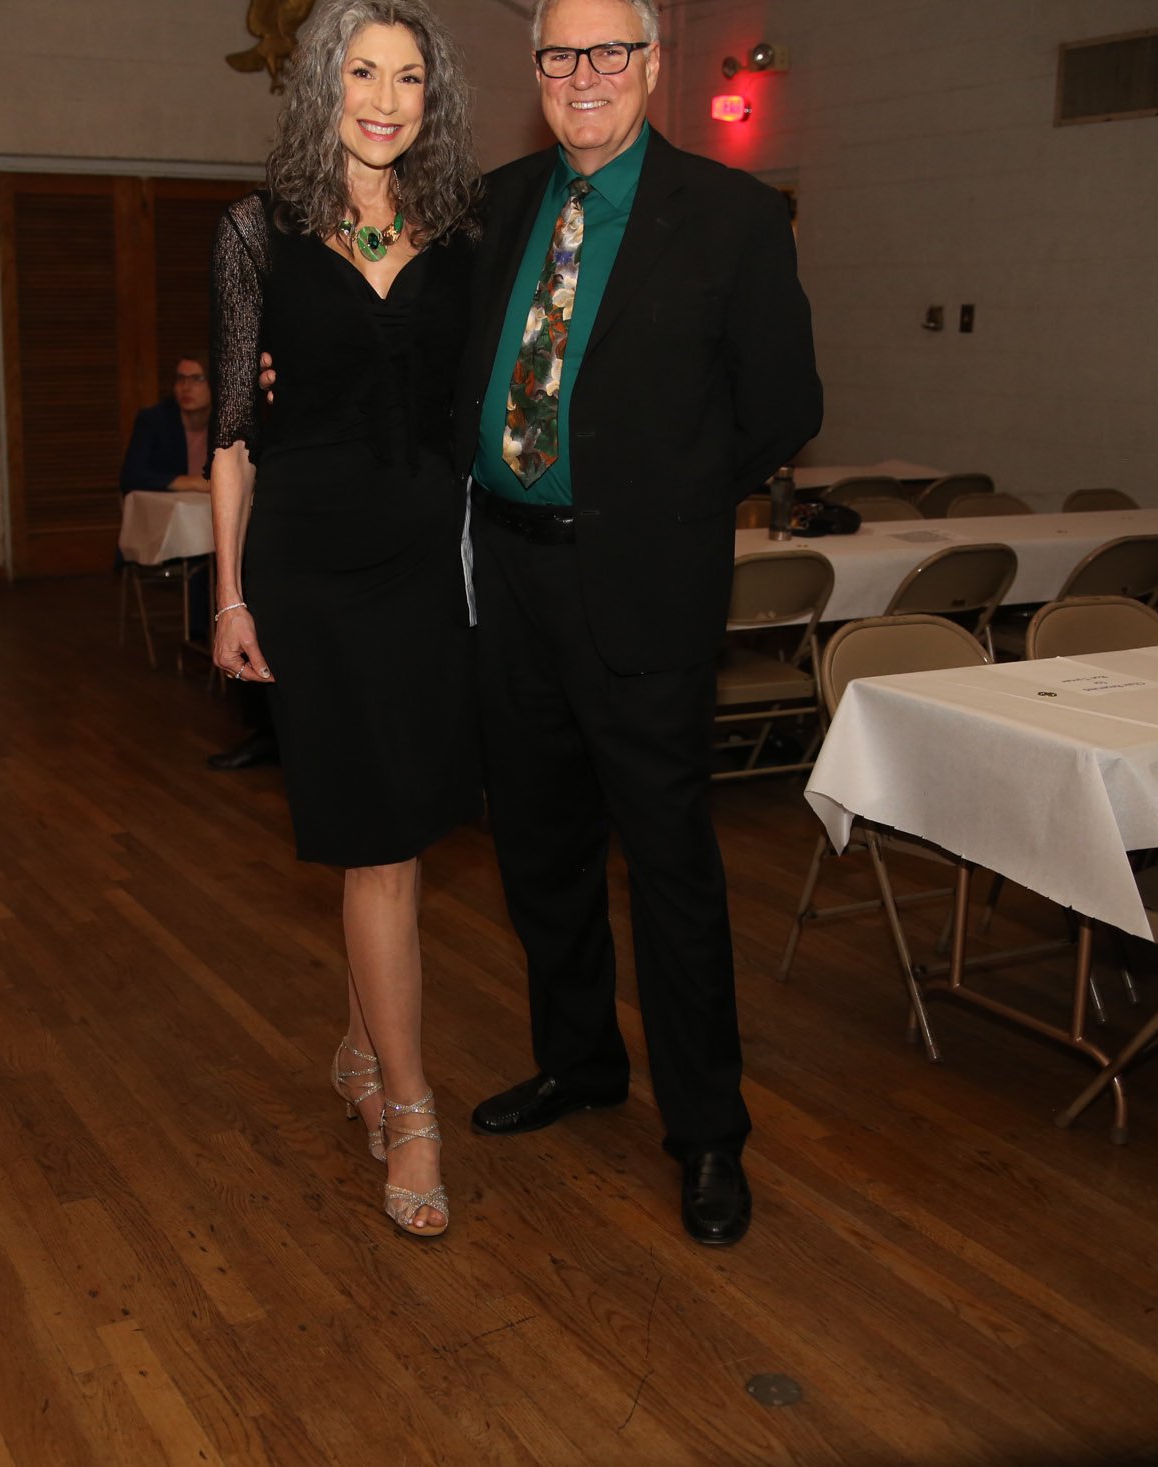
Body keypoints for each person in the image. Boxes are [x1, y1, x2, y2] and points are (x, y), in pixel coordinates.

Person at [458, 0, 820, 1246]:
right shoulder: (497, 205)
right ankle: (578, 1062)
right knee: (538, 848)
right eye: (560, 53)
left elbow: (783, 407)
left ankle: (707, 1132)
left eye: (610, 51)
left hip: (643, 585)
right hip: (506, 577)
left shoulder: (730, 217)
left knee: (668, 869)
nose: (585, 74)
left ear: (654, 66)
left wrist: (658, 499)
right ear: (536, 69)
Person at [206, 0, 481, 1238]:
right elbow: (231, 433)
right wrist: (227, 594)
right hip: (310, 573)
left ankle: (362, 1048)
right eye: (361, 72)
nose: (383, 99)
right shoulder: (254, 232)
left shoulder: (463, 235)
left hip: (423, 572)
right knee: (380, 846)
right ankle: (411, 1110)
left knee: (401, 832)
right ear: (322, 85)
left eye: (408, 77)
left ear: (433, 97)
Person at [119, 352, 213, 492]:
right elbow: (131, 477)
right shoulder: (153, 420)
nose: (186, 387)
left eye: (197, 379)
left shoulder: (229, 424)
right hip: (169, 505)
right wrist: (192, 482)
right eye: (180, 378)